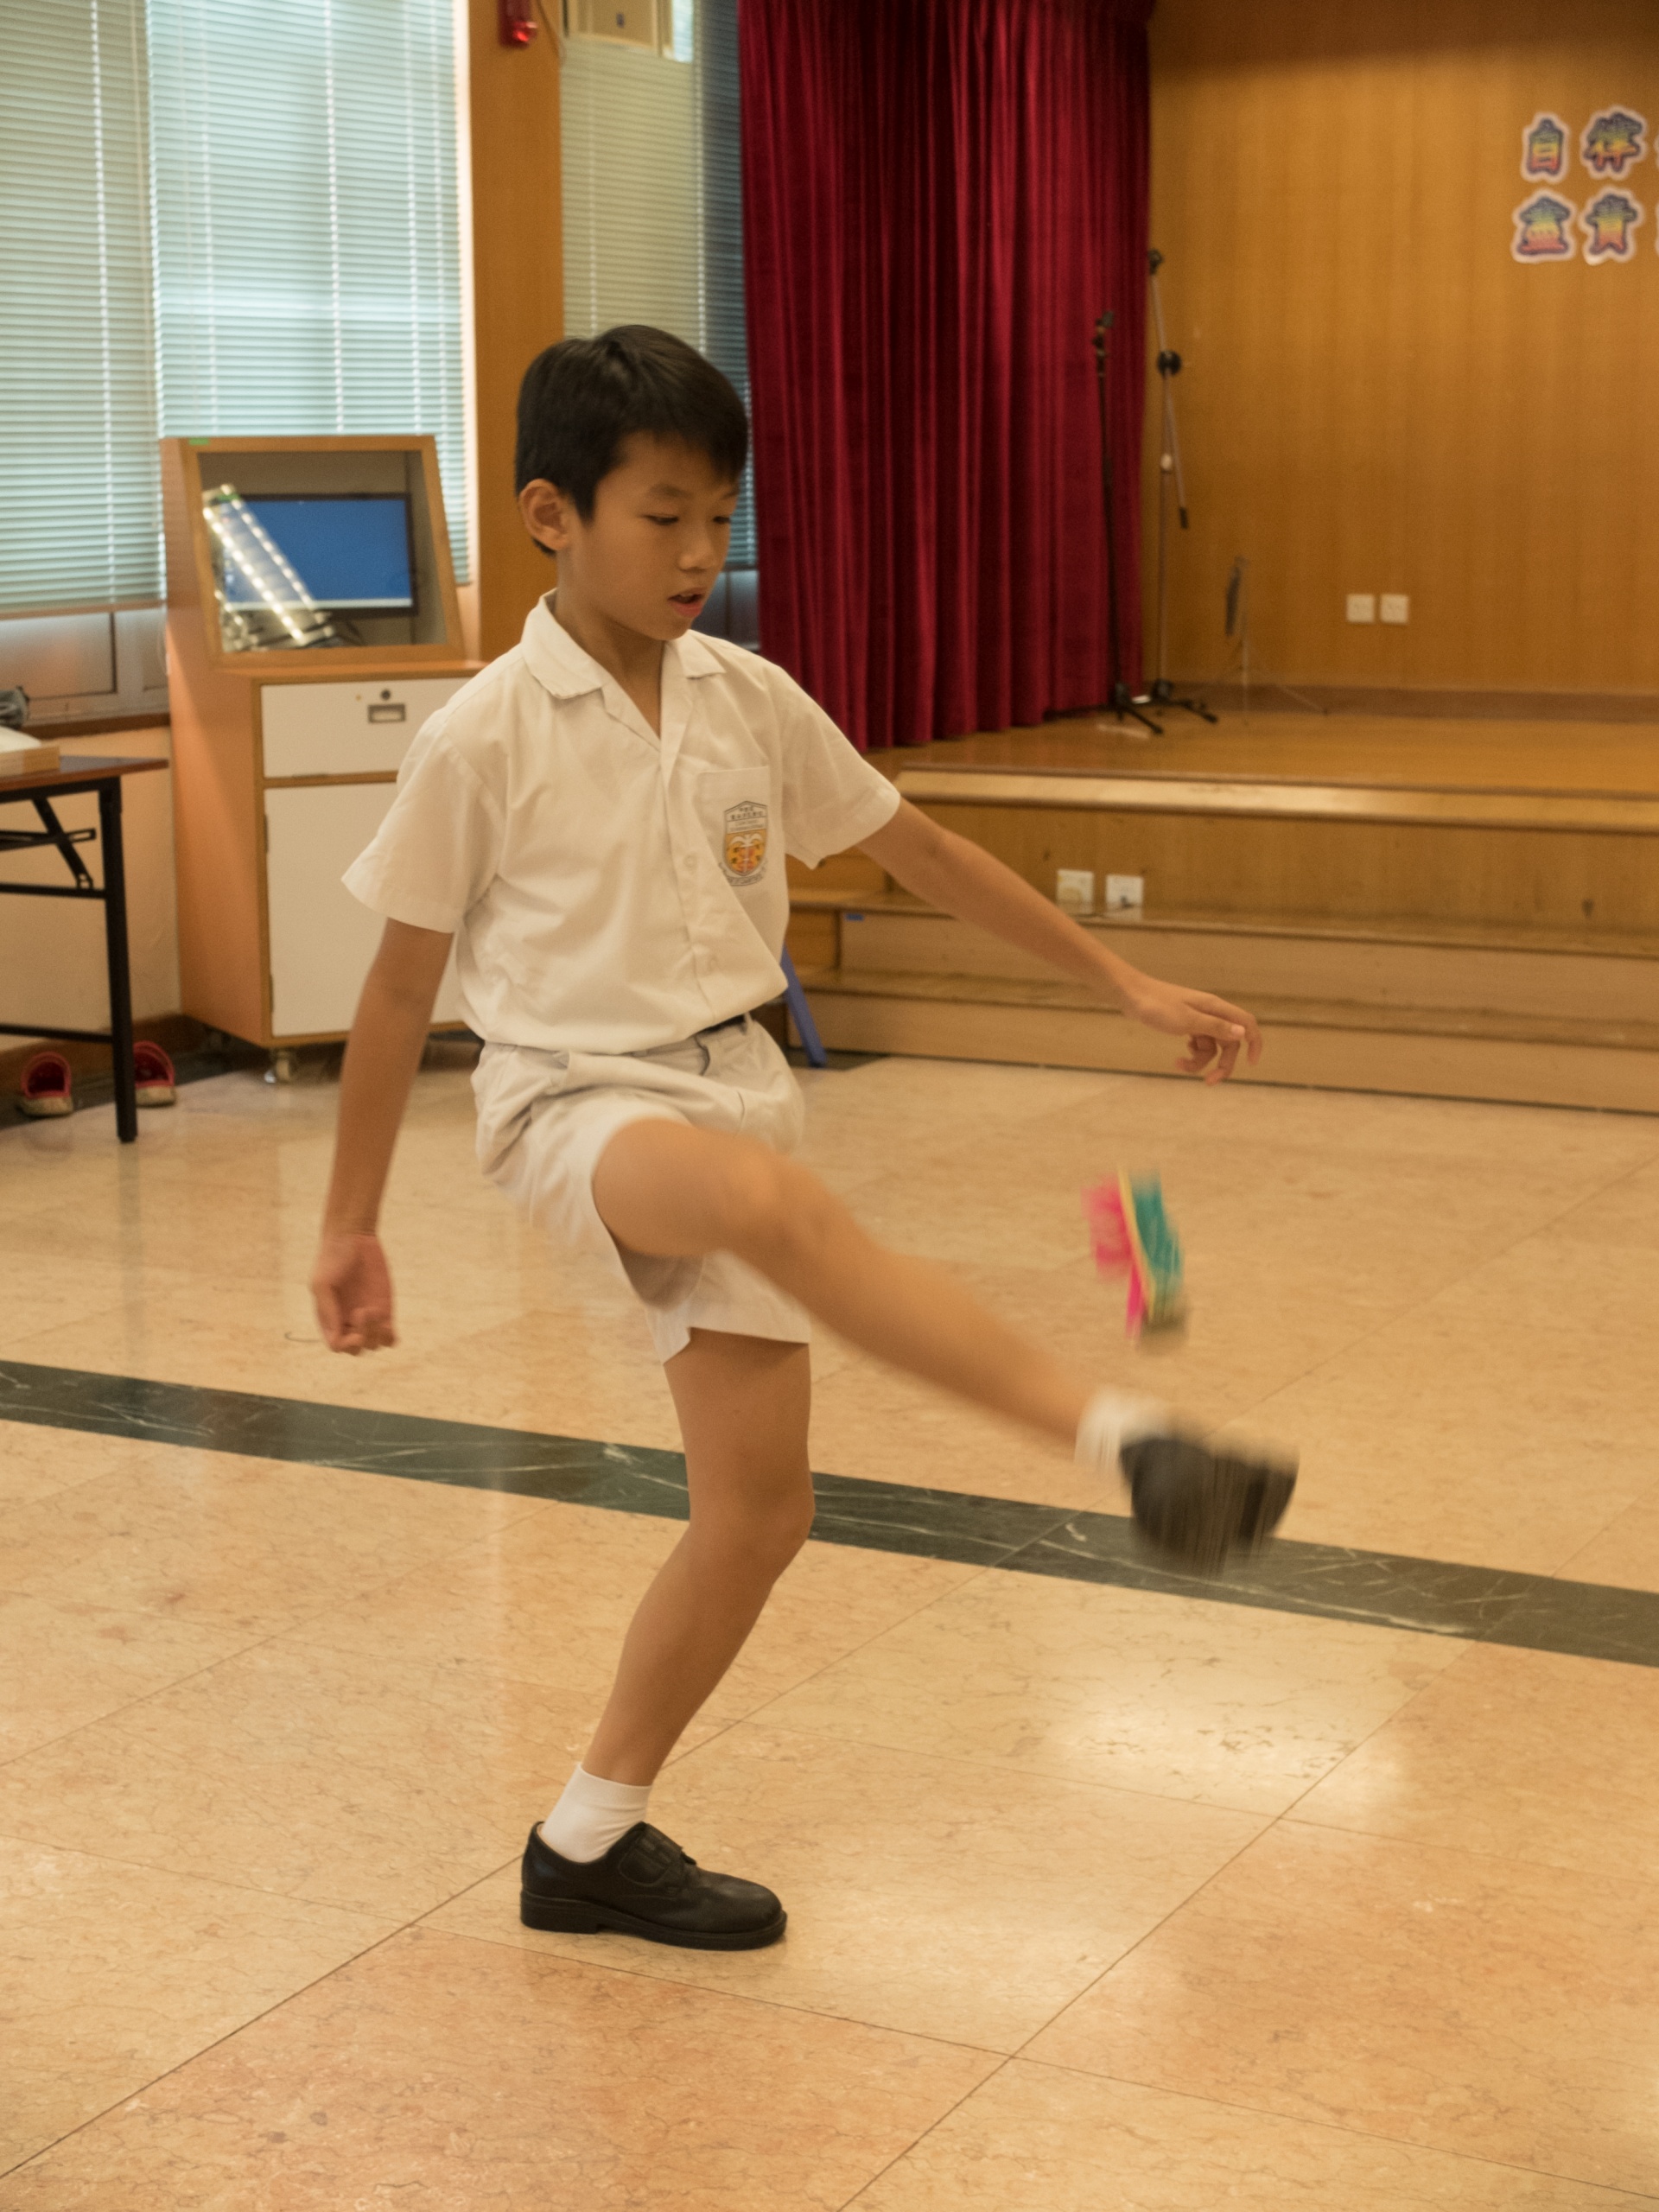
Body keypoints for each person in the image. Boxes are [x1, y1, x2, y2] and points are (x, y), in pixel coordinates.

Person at [311, 325, 1294, 1956]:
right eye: (664, 516)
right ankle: (1129, 1444)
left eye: (722, 518)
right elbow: (401, 988)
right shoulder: (482, 735)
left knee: (762, 1515)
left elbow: (924, 852)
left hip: (735, 1080)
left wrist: (1122, 983)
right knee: (772, 1205)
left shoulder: (746, 698)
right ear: (553, 515)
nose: (701, 553)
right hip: (573, 1098)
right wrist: (351, 1222)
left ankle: (585, 1840)